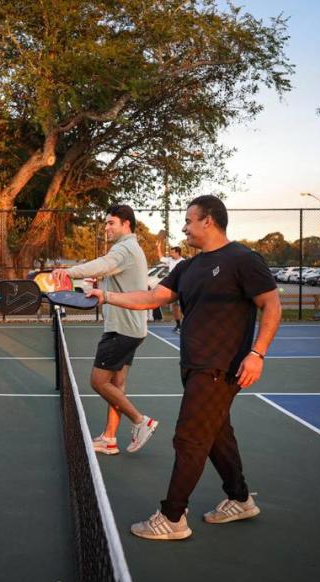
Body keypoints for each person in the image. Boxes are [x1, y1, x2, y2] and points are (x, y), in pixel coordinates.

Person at [88, 195, 281, 541]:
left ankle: (172, 517)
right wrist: (106, 297)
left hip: (221, 368)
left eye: (189, 221)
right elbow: (151, 298)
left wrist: (258, 353)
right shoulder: (188, 267)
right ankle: (239, 498)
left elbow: (271, 304)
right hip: (194, 365)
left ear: (208, 220)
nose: (184, 227)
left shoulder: (243, 259)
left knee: (189, 438)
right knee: (218, 434)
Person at [52, 204, 157, 457]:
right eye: (106, 223)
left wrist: (69, 271)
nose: (106, 227)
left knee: (98, 382)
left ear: (126, 225)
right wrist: (99, 282)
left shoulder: (124, 248)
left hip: (121, 329)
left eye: (111, 223)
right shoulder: (130, 249)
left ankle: (141, 421)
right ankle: (110, 439)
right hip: (132, 328)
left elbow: (103, 263)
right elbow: (115, 275)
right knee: (117, 386)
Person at [164, 246, 186, 333]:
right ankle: (178, 325)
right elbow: (161, 257)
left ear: (177, 253)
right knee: (175, 307)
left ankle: (185, 326)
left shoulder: (183, 262)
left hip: (182, 286)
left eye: (172, 252)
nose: (171, 254)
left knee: (183, 306)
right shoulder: (170, 260)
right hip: (173, 286)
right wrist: (158, 246)